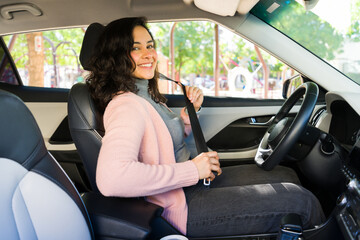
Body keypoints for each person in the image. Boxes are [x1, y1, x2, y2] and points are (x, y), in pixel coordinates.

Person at [86, 17, 325, 237]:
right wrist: (192, 170)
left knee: (285, 175)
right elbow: (112, 179)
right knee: (301, 202)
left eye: (150, 45)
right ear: (116, 56)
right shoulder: (126, 105)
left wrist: (188, 117)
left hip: (188, 187)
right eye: (135, 48)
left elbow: (162, 145)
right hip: (176, 206)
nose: (148, 54)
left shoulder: (143, 94)